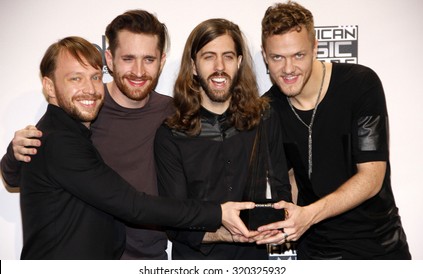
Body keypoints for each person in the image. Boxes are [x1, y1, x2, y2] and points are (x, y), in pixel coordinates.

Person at [0, 36, 253, 260]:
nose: (89, 89)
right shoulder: (57, 140)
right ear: (49, 87)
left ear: (161, 61)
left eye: (95, 77)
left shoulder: (172, 112)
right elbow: (133, 205)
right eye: (75, 78)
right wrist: (217, 212)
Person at [1, 10, 173, 260]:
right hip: (90, 258)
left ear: (162, 60)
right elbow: (16, 175)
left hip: (149, 258)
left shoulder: (173, 113)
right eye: (128, 58)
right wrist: (14, 153)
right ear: (110, 59)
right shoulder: (84, 104)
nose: (138, 71)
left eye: (148, 59)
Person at [256, 1, 411, 259]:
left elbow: (372, 178)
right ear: (264, 56)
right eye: (277, 57)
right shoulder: (268, 108)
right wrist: (281, 221)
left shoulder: (360, 84)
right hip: (316, 252)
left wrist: (308, 215)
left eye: (299, 55)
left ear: (315, 48)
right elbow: (292, 179)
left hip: (378, 247)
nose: (288, 69)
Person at [154, 18, 292, 260]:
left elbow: (282, 191)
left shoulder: (264, 119)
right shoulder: (171, 134)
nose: (219, 67)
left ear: (239, 62)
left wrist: (279, 225)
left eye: (228, 56)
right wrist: (226, 233)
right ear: (194, 66)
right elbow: (174, 219)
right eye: (208, 57)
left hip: (254, 263)